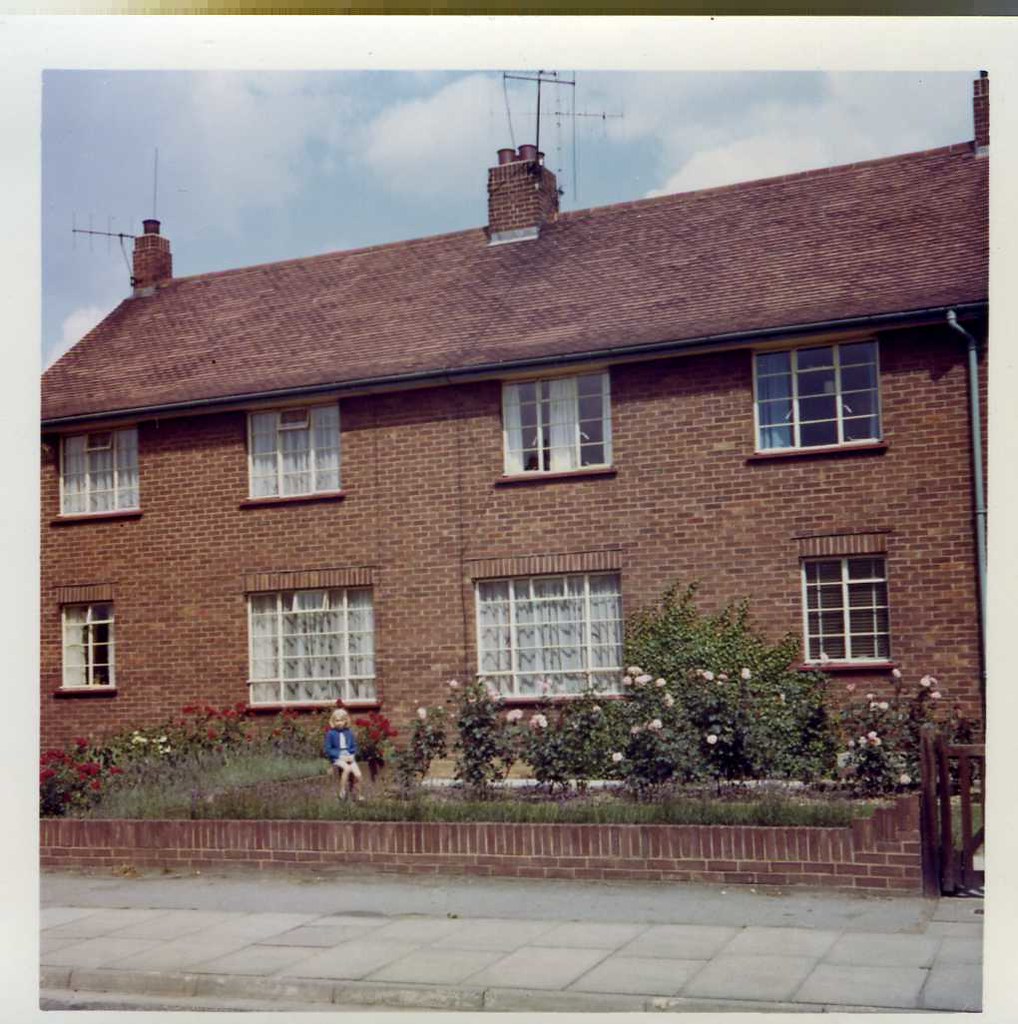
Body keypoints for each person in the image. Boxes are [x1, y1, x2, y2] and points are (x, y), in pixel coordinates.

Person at [323, 708, 362, 800]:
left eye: (342, 720)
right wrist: (340, 756)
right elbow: (328, 749)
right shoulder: (331, 734)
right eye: (337, 720)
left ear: (346, 721)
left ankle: (359, 794)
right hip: (337, 757)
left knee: (358, 774)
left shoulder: (349, 733)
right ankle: (342, 791)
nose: (339, 723)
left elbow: (354, 746)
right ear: (333, 721)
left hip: (348, 755)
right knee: (347, 768)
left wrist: (352, 755)